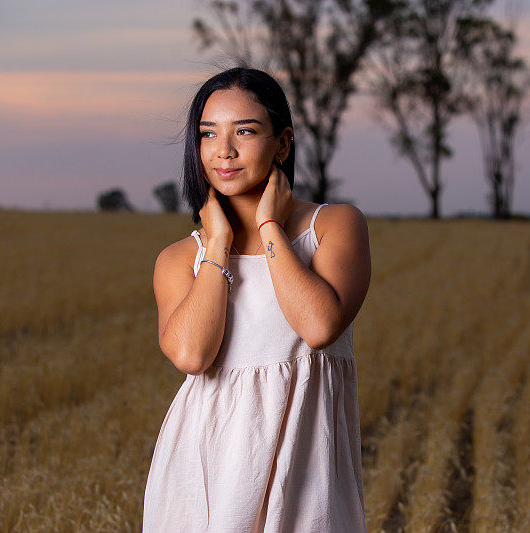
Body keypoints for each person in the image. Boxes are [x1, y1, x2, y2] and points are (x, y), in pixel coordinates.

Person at [142, 67, 371, 532]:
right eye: (209, 134)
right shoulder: (178, 259)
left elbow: (319, 327)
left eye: (244, 130)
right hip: (201, 476)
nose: (223, 150)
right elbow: (191, 354)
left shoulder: (334, 226)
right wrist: (219, 244)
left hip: (308, 476)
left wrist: (269, 227)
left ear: (282, 144)